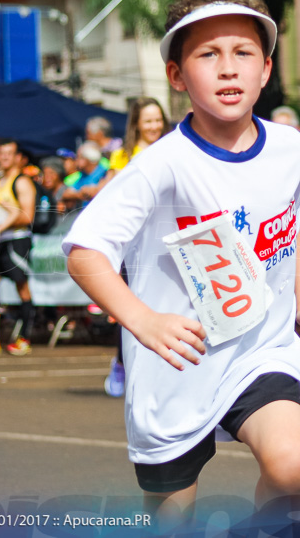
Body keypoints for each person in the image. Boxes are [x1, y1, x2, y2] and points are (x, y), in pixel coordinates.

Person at [64, 0, 300, 523]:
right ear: (176, 76)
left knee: (292, 467)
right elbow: (85, 250)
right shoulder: (159, 165)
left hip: (262, 349)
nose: (228, 68)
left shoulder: (290, 147)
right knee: (172, 519)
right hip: (179, 363)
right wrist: (143, 320)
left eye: (243, 53)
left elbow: (293, 211)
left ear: (265, 68)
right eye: (208, 55)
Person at [98, 96, 172, 395]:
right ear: (137, 124)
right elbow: (110, 193)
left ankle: (164, 372)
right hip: (135, 243)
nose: (154, 126)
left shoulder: (175, 148)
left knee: (166, 304)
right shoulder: (124, 155)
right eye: (148, 121)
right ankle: (122, 363)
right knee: (130, 306)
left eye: (158, 120)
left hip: (168, 239)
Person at [0, 140, 38, 357]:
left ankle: (25, 337)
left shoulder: (22, 182)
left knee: (22, 287)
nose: (4, 157)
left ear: (18, 157)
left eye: (9, 154)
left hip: (17, 239)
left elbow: (28, 215)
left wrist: (3, 224)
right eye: (2, 153)